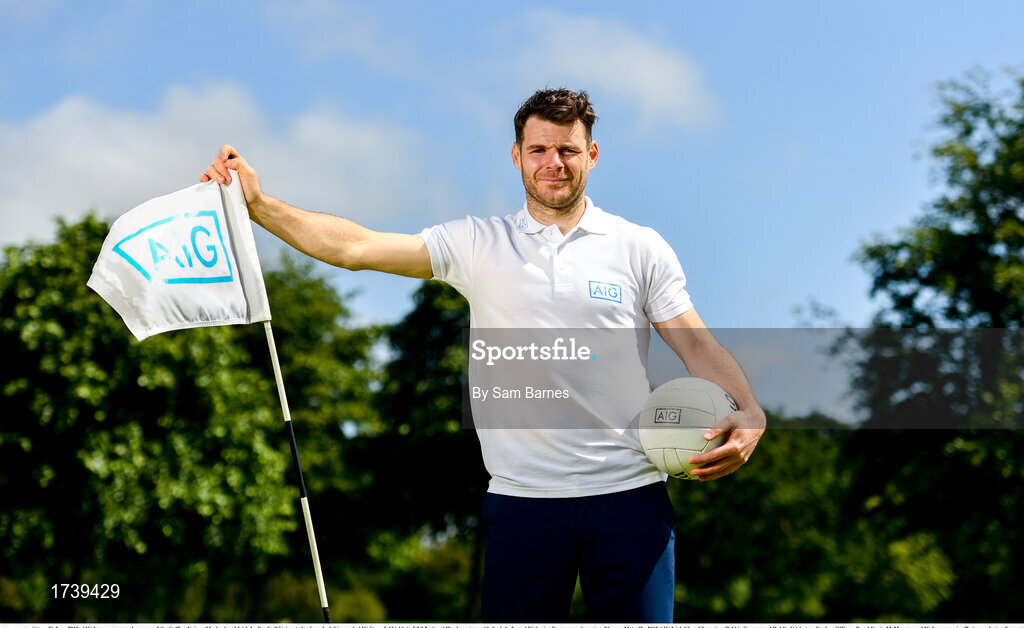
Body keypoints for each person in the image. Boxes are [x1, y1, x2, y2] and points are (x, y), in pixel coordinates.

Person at [201, 88, 765, 622]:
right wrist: (258, 204)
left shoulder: (639, 246)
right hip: (524, 504)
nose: (554, 162)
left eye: (568, 149)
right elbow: (355, 248)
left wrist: (751, 412)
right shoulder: (477, 243)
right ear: (517, 155)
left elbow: (697, 344)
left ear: (591, 154)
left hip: (630, 498)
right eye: (539, 149)